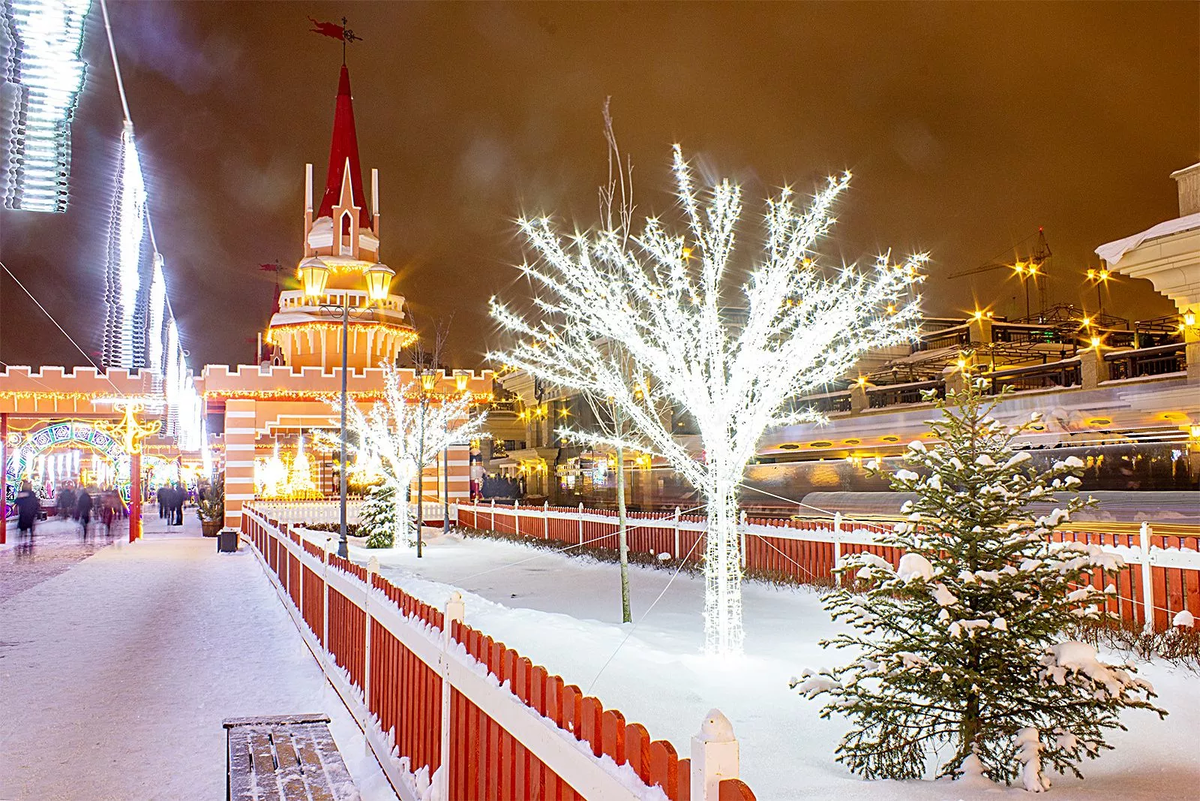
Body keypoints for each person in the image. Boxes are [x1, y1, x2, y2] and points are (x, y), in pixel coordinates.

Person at [15, 480, 39, 556]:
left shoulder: (21, 494)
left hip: (23, 514)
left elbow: (16, 502)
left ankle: (22, 542)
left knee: (22, 529)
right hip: (30, 514)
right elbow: (36, 504)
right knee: (31, 528)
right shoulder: (32, 494)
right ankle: (30, 542)